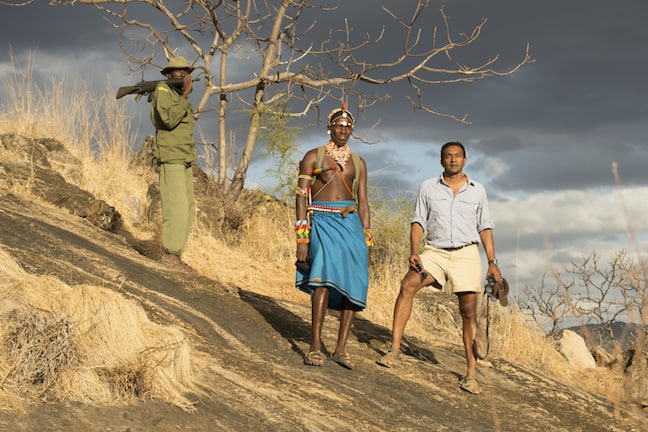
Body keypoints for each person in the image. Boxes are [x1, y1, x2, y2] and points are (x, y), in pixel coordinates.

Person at [377, 141, 501, 395]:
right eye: (448, 156)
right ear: (441, 161)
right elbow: (417, 221)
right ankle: (394, 349)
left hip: (467, 254)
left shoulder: (478, 191)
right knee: (407, 284)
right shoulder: (428, 187)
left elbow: (485, 227)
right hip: (435, 253)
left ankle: (470, 374)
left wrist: (492, 263)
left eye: (458, 156)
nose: (453, 160)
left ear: (465, 160)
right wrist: (414, 251)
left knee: (468, 312)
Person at [295, 104, 372, 369]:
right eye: (338, 125)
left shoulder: (359, 163)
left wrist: (366, 238)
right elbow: (301, 196)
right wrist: (302, 239)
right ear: (330, 127)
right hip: (322, 222)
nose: (343, 130)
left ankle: (340, 349)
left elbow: (363, 202)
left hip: (351, 224)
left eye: (347, 126)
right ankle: (315, 345)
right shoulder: (313, 157)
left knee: (354, 280)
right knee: (322, 278)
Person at [150, 56, 197, 273]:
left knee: (187, 209)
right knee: (175, 208)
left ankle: (176, 255)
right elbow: (167, 120)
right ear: (169, 74)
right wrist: (185, 95)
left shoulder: (175, 95)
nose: (184, 75)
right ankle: (170, 255)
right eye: (179, 71)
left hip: (183, 157)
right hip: (172, 157)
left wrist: (183, 96)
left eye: (186, 71)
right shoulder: (163, 91)